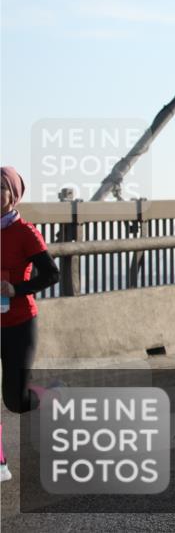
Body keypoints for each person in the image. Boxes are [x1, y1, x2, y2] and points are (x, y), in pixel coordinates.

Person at [1, 166, 60, 483]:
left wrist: (16, 289)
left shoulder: (25, 232)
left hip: (19, 322)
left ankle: (49, 396)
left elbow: (52, 274)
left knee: (15, 401)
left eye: (0, 187)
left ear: (13, 194)